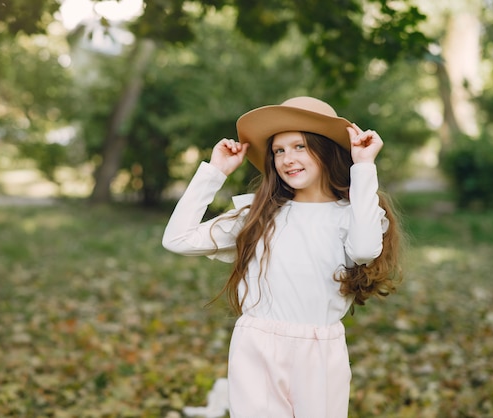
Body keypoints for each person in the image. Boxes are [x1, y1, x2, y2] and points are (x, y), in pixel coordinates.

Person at [162, 96, 402, 417]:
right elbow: (177, 239)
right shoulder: (258, 214)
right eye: (279, 151)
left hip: (319, 350)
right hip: (256, 345)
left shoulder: (352, 214)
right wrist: (215, 172)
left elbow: (363, 249)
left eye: (300, 146)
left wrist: (363, 166)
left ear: (326, 150)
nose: (288, 158)